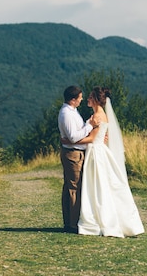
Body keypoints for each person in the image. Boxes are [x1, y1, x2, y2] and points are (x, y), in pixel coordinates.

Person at [78, 86, 145, 237]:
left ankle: (102, 219)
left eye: (90, 97)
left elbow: (93, 138)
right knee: (103, 185)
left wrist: (71, 140)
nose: (87, 99)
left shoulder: (97, 116)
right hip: (99, 150)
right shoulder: (100, 114)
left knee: (98, 186)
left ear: (95, 99)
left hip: (96, 152)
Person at [58, 85, 98, 234]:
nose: (82, 100)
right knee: (74, 187)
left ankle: (70, 221)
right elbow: (73, 137)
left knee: (71, 186)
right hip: (72, 154)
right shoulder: (66, 114)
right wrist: (89, 126)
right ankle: (72, 224)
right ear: (73, 99)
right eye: (80, 97)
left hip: (76, 152)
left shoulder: (72, 112)